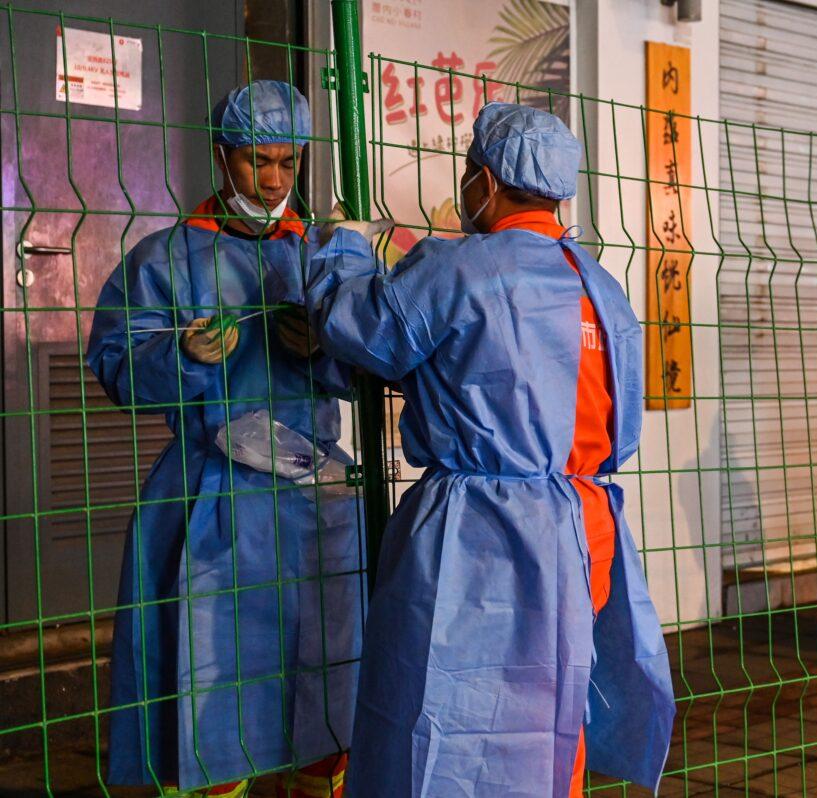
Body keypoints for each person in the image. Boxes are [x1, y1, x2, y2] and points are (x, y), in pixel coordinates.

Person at [306, 102, 675, 796]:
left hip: (475, 532)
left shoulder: (459, 269)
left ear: (486, 180)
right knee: (548, 714)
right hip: (582, 525)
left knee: (443, 708)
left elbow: (360, 331)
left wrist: (343, 252)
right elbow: (623, 426)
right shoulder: (603, 287)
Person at [88, 81, 365, 798]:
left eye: (287, 163)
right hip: (211, 489)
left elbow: (372, 356)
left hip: (314, 491)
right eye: (254, 162)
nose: (272, 180)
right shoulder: (166, 257)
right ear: (220, 155)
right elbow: (116, 364)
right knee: (216, 685)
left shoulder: (322, 255)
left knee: (327, 679)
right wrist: (182, 357)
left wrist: (324, 350)